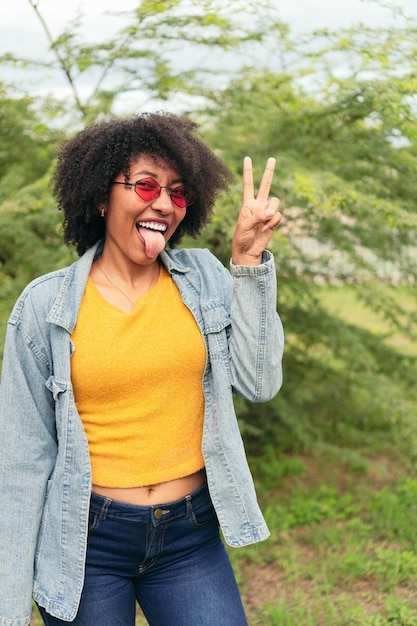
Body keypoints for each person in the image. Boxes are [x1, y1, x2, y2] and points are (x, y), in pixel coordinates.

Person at [0, 112, 284, 626]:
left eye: (177, 193)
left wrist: (247, 262)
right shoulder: (45, 307)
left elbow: (259, 383)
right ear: (100, 196)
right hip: (85, 542)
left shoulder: (203, 278)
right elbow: (21, 462)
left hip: (189, 536)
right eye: (146, 185)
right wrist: (9, 608)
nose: (162, 204)